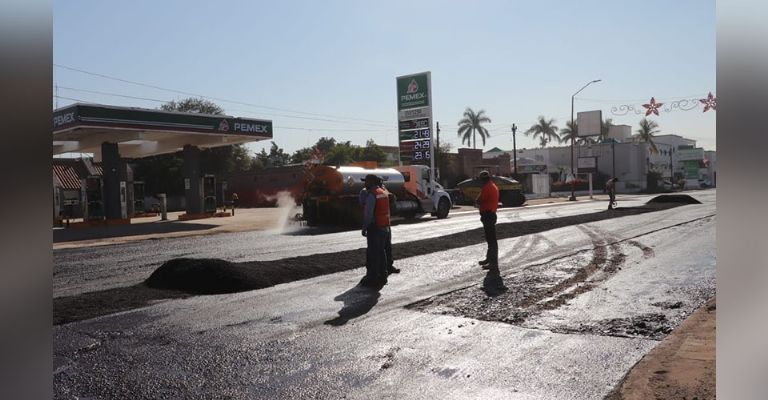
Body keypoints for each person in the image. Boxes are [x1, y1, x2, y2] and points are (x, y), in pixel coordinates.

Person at [360, 174, 391, 288]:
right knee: (381, 252)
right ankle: (383, 275)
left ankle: (374, 278)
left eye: (366, 181)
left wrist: (364, 227)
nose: (365, 183)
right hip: (384, 226)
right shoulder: (383, 192)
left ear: (371, 182)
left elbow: (369, 214)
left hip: (375, 227)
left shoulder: (372, 195)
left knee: (374, 253)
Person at [476, 171, 500, 271]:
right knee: (490, 239)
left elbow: (480, 199)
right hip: (490, 214)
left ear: (483, 179)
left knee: (491, 240)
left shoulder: (487, 187)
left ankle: (493, 263)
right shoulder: (492, 186)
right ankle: (489, 259)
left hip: (488, 215)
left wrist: (477, 201)